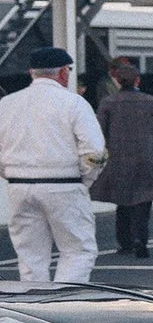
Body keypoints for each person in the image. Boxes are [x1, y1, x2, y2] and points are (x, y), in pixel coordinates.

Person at [0, 46, 107, 281]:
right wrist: (84, 179)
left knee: (30, 256)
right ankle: (64, 302)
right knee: (78, 250)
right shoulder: (74, 103)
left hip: (19, 185)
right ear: (62, 73)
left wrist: (9, 172)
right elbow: (95, 152)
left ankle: (35, 304)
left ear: (32, 73)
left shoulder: (6, 104)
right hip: (64, 183)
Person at [93, 57, 153, 258]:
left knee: (122, 200)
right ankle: (140, 239)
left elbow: (98, 131)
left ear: (117, 80)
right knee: (143, 201)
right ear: (137, 81)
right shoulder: (149, 101)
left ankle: (124, 242)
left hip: (118, 159)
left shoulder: (108, 103)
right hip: (147, 158)